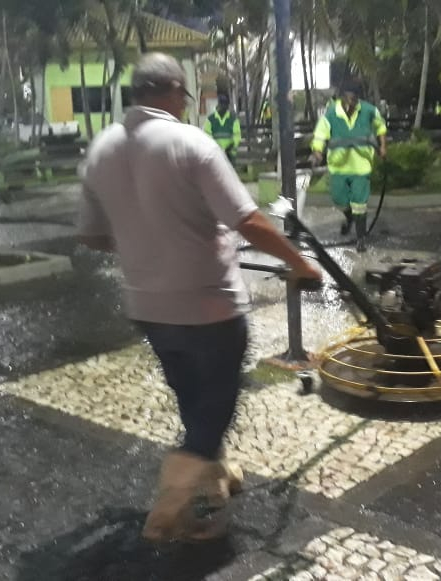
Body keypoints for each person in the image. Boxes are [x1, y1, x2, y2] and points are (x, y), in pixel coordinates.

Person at [77, 53, 323, 541]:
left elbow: (92, 236)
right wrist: (300, 264)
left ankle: (211, 477)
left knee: (192, 396)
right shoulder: (190, 143)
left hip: (148, 309)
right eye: (185, 96)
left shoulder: (102, 149)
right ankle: (171, 503)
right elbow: (247, 220)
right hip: (208, 306)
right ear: (173, 91)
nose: (186, 104)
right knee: (218, 404)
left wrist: (144, 242)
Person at [311, 82, 388, 252]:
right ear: (342, 98)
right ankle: (350, 217)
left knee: (359, 203)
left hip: (361, 165)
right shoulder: (331, 114)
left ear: (358, 99)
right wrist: (317, 151)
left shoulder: (368, 110)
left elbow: (380, 127)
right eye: (347, 98)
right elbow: (320, 134)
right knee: (339, 199)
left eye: (354, 99)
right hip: (338, 166)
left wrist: (383, 146)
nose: (350, 102)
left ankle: (361, 238)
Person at [203, 93, 242, 163]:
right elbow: (207, 136)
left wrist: (231, 147)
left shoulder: (233, 119)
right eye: (222, 104)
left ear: (228, 106)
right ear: (218, 105)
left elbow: (237, 135)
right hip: (215, 153)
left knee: (229, 170)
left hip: (230, 153)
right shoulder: (210, 119)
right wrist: (216, 148)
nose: (223, 106)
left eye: (225, 104)